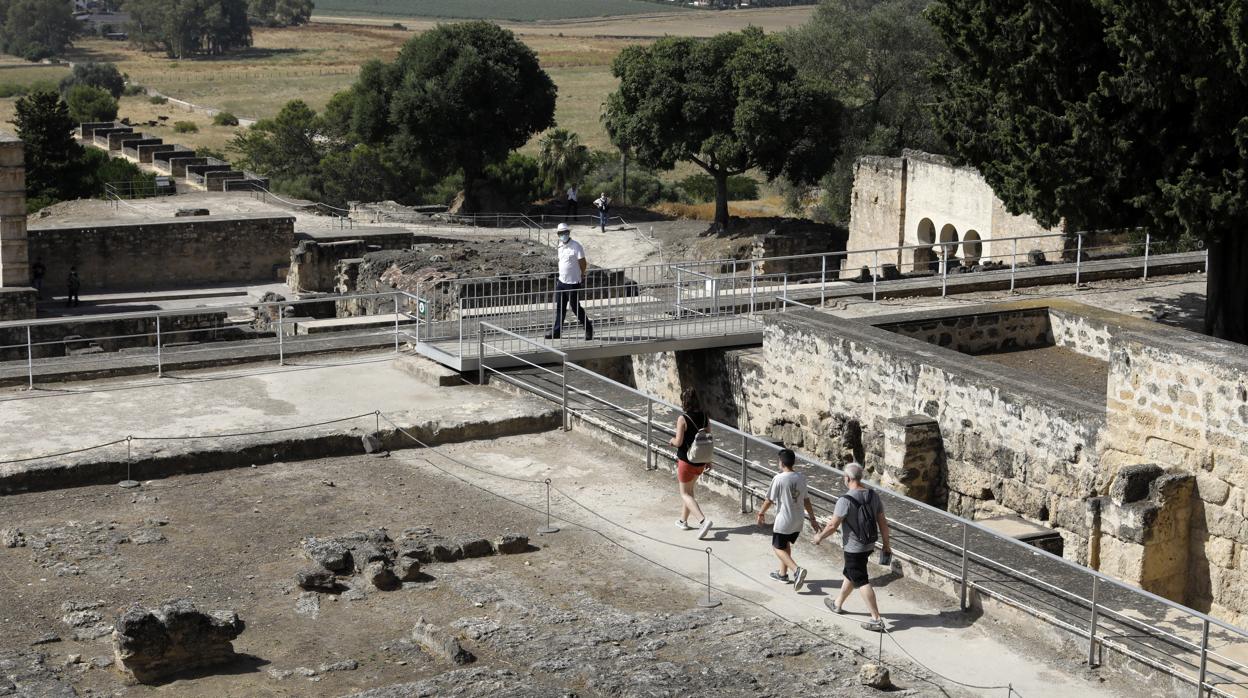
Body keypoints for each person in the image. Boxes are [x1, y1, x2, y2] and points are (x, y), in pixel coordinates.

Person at [813, 462, 892, 632]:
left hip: (854, 547)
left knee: (861, 580)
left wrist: (819, 536)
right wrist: (886, 544)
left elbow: (833, 525)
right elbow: (883, 523)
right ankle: (837, 603)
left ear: (848, 478)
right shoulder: (873, 495)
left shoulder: (845, 500)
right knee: (851, 572)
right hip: (869, 543)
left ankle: (876, 619)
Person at [755, 449, 819, 590]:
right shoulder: (801, 477)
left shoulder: (779, 478)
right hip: (798, 520)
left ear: (782, 463)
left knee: (776, 547)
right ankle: (782, 574)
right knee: (785, 545)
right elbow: (807, 500)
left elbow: (769, 500)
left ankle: (796, 570)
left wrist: (760, 513)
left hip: (784, 520)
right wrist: (813, 519)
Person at [671, 387, 713, 540]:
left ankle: (703, 521)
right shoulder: (704, 417)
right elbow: (708, 438)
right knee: (690, 492)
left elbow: (679, 441)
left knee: (685, 493)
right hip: (700, 461)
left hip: (686, 460)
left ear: (684, 401)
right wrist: (709, 460)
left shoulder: (683, 419)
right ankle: (683, 521)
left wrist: (671, 441)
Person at [544, 223, 594, 340]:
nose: (563, 235)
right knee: (560, 308)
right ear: (558, 234)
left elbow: (583, 262)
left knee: (575, 307)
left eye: (565, 232)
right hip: (561, 282)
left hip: (573, 283)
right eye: (561, 233)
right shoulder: (560, 245)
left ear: (569, 233)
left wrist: (581, 274)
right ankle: (556, 331)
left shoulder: (576, 246)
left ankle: (588, 329)